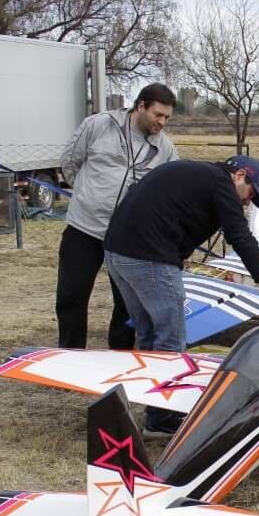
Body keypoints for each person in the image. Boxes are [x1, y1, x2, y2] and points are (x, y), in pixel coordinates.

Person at [104, 156, 259, 438]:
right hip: (148, 258)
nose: (247, 203)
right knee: (171, 339)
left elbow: (168, 212)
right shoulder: (220, 183)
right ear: (240, 175)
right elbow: (240, 237)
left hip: (117, 253)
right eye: (251, 194)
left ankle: (150, 407)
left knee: (149, 334)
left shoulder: (195, 174)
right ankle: (162, 418)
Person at [56, 83, 179, 349]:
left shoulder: (166, 149)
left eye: (167, 117)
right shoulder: (99, 125)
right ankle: (70, 353)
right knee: (72, 295)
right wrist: (87, 195)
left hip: (127, 236)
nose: (162, 122)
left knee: (127, 303)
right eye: (158, 114)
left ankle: (120, 354)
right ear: (141, 105)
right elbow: (70, 161)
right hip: (84, 228)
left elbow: (169, 189)